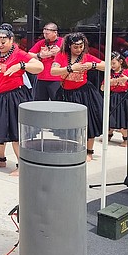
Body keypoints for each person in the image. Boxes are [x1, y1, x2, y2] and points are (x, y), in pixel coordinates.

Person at [0, 24, 43, 176]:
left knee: (15, 132)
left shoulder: (19, 54)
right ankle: (0, 159)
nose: (0, 45)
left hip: (14, 97)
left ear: (11, 40)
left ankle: (21, 164)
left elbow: (39, 66)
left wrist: (21, 65)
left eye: (3, 42)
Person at [51, 33, 105, 161]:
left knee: (88, 122)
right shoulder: (62, 56)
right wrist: (70, 68)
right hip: (66, 93)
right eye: (76, 47)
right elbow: (53, 71)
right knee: (66, 124)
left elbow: (105, 65)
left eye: (81, 46)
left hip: (84, 93)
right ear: (69, 46)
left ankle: (89, 151)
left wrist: (93, 65)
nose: (79, 49)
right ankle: (70, 147)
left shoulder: (86, 57)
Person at [28, 23, 63, 101]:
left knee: (58, 102)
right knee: (40, 102)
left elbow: (71, 55)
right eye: (44, 33)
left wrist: (60, 52)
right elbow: (29, 54)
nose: (45, 35)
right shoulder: (41, 42)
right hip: (41, 77)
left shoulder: (63, 42)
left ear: (55, 32)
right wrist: (40, 55)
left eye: (47, 34)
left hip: (57, 78)